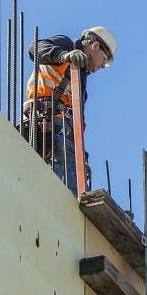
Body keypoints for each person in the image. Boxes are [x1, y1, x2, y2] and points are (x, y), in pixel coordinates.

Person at [23, 26, 117, 195]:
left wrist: (82, 157)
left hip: (63, 132)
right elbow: (35, 48)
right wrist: (63, 56)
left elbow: (77, 124)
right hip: (46, 123)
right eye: (104, 59)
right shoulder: (67, 46)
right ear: (95, 46)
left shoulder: (81, 84)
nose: (103, 66)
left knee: (72, 178)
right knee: (64, 187)